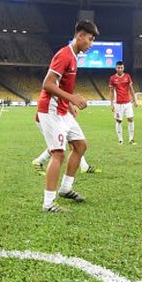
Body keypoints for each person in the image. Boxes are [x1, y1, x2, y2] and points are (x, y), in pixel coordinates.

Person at [32, 20, 100, 213]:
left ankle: (66, 188)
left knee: (80, 145)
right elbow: (48, 84)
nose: (91, 43)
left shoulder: (74, 56)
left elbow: (61, 85)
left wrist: (69, 104)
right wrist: (72, 98)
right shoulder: (64, 55)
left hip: (62, 111)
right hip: (50, 111)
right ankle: (48, 203)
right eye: (89, 38)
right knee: (58, 154)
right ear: (80, 36)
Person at [109, 61, 137, 145]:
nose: (120, 69)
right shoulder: (112, 78)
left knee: (131, 119)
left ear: (123, 68)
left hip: (127, 103)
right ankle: (120, 140)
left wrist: (135, 100)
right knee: (119, 121)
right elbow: (111, 91)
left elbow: (131, 88)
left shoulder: (127, 76)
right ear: (116, 68)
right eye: (118, 67)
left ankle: (131, 139)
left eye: (121, 67)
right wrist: (111, 104)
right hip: (118, 104)